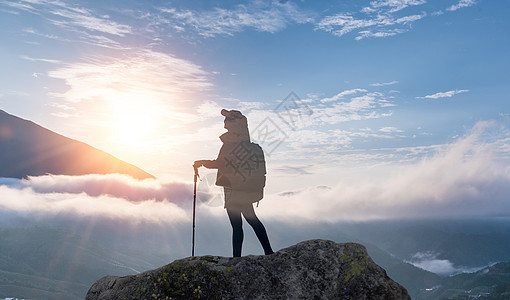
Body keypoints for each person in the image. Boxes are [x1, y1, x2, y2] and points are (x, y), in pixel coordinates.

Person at [194, 109, 274, 257]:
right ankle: (268, 252)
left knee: (237, 226)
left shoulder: (229, 144)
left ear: (233, 124)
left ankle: (237, 258)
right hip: (245, 189)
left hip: (231, 189)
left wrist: (202, 163)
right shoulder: (246, 145)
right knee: (252, 220)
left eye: (228, 120)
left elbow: (219, 163)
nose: (225, 123)